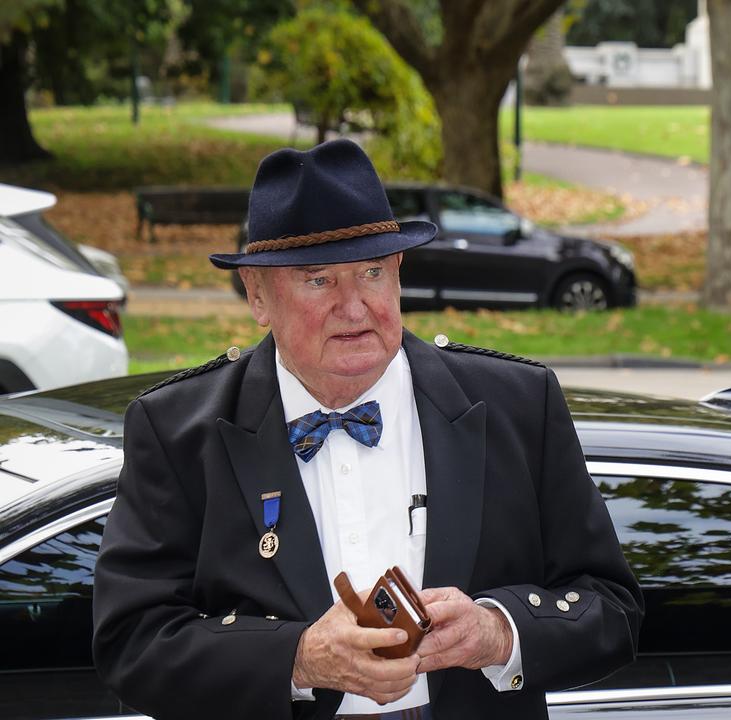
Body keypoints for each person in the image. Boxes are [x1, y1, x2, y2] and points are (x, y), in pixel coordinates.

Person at [93, 138, 643, 720]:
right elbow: (131, 644)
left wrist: (498, 631)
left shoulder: (517, 406)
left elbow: (612, 610)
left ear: (399, 272)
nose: (355, 308)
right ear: (257, 295)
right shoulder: (178, 431)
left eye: (372, 272)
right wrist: (297, 658)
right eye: (317, 280)